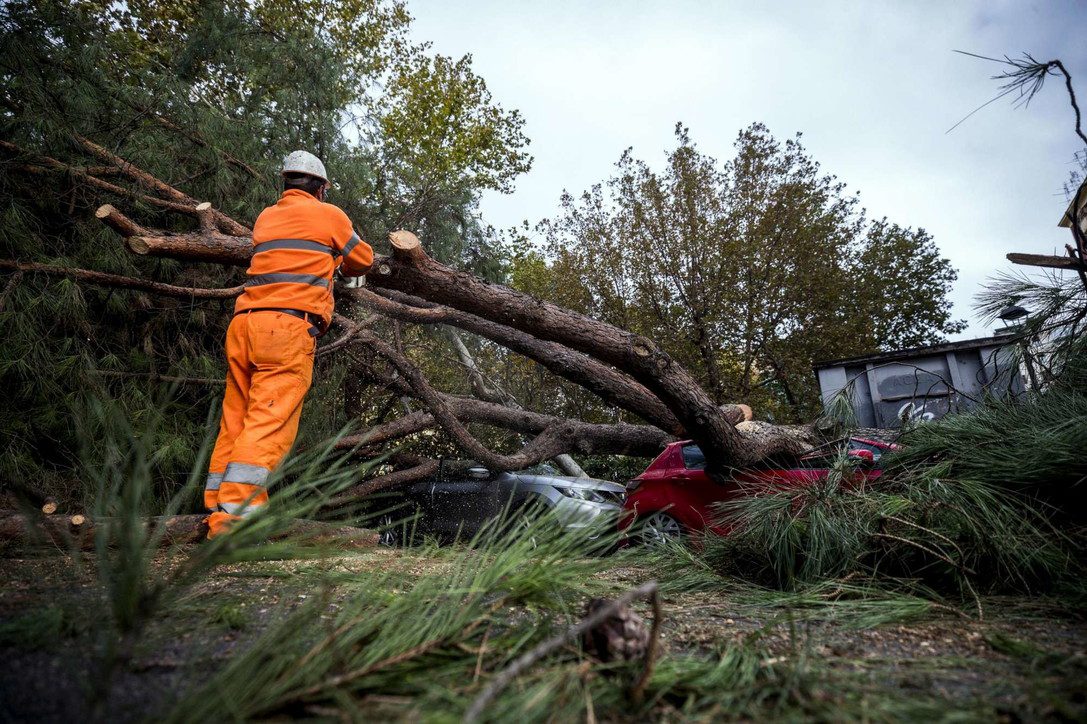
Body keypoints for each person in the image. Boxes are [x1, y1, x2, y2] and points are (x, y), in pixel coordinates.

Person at [203, 150, 373, 538]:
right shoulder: (330, 215)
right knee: (268, 420)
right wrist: (338, 262)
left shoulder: (266, 216)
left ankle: (216, 505)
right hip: (286, 328)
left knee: (236, 418)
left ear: (286, 183)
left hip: (244, 323)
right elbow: (362, 260)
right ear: (322, 187)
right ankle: (235, 520)